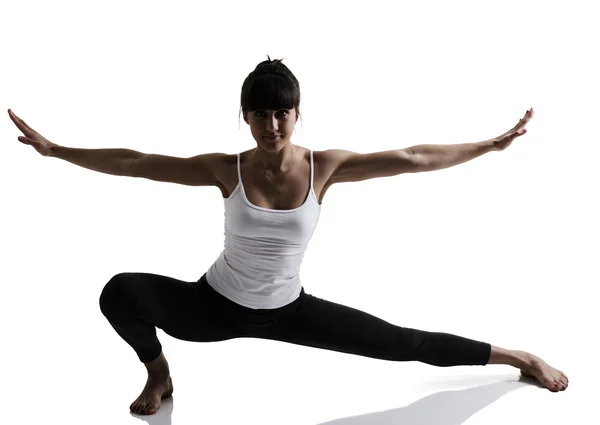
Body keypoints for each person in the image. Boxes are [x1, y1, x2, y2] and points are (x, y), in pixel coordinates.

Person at [8, 56, 568, 416]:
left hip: (289, 309)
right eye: (261, 115)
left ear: (297, 114)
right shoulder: (224, 168)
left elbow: (414, 157)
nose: (273, 126)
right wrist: (57, 150)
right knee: (119, 291)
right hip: (214, 307)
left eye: (283, 114)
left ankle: (516, 357)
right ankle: (160, 374)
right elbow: (139, 162)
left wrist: (488, 145)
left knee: (404, 344)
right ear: (245, 117)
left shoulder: (325, 166)